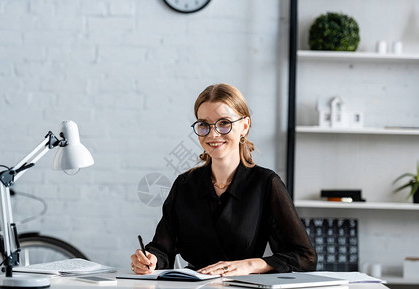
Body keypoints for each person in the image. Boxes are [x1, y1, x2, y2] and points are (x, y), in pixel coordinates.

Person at [130, 83, 317, 276]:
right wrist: (149, 260)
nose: (213, 134)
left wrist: (251, 265)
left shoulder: (266, 183)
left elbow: (305, 257)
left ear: (244, 126)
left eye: (224, 123)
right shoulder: (185, 184)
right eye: (204, 125)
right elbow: (162, 250)